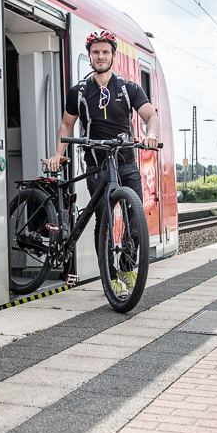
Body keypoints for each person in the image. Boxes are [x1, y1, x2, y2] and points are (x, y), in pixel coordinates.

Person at [48, 29, 160, 287]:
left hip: (127, 163)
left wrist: (150, 134)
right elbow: (67, 125)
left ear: (113, 56)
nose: (101, 56)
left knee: (135, 220)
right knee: (105, 220)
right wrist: (58, 154)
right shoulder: (79, 91)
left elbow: (150, 116)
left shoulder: (129, 88)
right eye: (96, 52)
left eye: (105, 52)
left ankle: (127, 269)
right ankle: (109, 278)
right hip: (96, 164)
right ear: (89, 56)